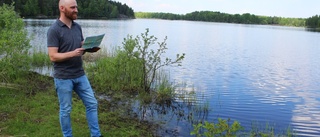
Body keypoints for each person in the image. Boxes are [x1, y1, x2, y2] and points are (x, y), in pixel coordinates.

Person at [47, 0, 102, 136]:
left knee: (92, 104)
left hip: (80, 75)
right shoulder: (53, 30)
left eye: (76, 7)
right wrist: (73, 53)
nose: (76, 10)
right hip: (63, 77)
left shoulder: (77, 27)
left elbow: (80, 44)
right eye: (72, 7)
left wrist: (89, 47)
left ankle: (96, 134)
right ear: (62, 8)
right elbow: (53, 56)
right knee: (65, 110)